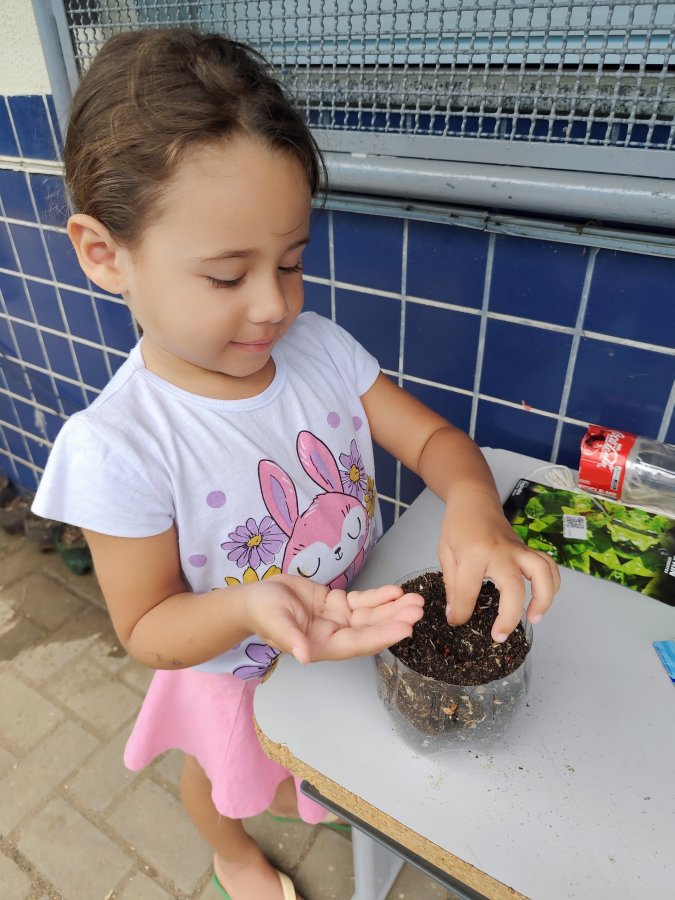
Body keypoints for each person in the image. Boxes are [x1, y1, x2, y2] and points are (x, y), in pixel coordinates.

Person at [32, 27, 559, 900]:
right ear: (104, 254)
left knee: (318, 767)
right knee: (223, 778)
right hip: (236, 674)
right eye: (225, 276)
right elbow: (147, 626)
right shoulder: (118, 447)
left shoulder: (318, 350)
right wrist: (248, 606)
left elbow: (432, 442)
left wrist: (473, 503)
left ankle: (300, 797)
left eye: (290, 262)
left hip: (350, 635)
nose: (273, 305)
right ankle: (232, 854)